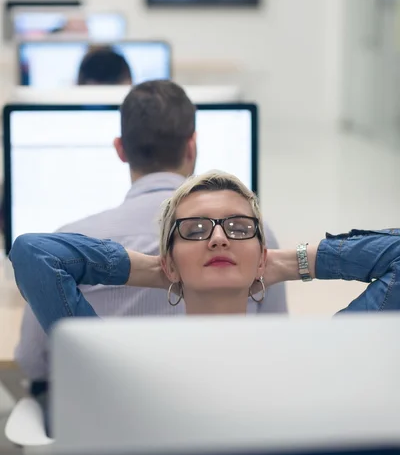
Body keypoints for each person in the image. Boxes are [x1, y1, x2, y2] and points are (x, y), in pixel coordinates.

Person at [15, 81, 287, 389]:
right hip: (223, 405)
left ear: (120, 149)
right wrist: (302, 263)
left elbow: (33, 362)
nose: (217, 240)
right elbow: (271, 345)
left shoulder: (67, 250)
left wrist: (139, 271)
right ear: (192, 146)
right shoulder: (250, 240)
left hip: (106, 416)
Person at [9, 170, 400, 333]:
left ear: (263, 256)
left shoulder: (312, 355)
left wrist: (286, 262)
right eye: (194, 230)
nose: (218, 239)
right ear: (168, 261)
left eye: (239, 228)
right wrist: (157, 269)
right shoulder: (119, 362)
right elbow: (35, 254)